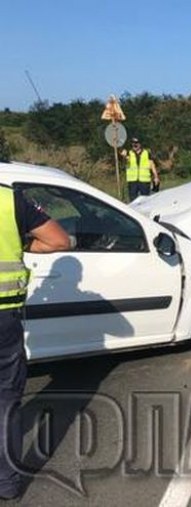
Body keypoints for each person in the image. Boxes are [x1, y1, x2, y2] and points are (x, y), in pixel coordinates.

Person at [0, 185, 69, 499]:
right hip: (3, 319)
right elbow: (58, 240)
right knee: (5, 401)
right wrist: (25, 242)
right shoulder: (6, 199)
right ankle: (6, 482)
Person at [123, 137, 159, 202]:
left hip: (144, 181)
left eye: (136, 143)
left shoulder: (147, 153)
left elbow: (152, 165)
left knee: (145, 201)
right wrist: (124, 156)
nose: (135, 145)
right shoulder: (128, 153)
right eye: (133, 143)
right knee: (133, 201)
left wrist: (156, 177)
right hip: (132, 181)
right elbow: (124, 161)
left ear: (140, 144)